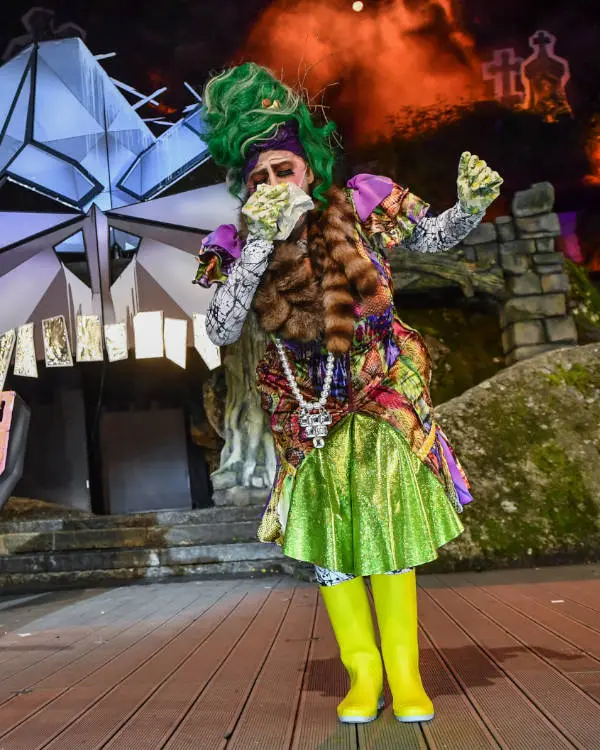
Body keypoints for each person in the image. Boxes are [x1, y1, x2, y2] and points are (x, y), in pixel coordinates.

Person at [194, 62, 502, 724]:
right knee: (329, 530)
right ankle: (363, 674)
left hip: (379, 381)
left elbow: (434, 236)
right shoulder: (235, 244)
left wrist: (470, 206)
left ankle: (405, 674)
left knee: (388, 515)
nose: (273, 185)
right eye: (258, 178)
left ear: (308, 170)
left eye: (283, 170)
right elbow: (219, 327)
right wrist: (257, 247)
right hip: (302, 401)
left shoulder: (360, 202)